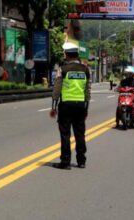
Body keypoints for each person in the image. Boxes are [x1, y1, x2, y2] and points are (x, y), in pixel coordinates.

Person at [50, 42, 91, 170]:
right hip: (80, 105)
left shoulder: (62, 69)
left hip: (66, 105)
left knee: (65, 134)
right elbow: (87, 90)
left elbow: (57, 88)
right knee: (80, 134)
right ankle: (81, 161)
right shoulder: (85, 69)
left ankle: (66, 162)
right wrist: (86, 107)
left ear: (67, 55)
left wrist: (54, 106)